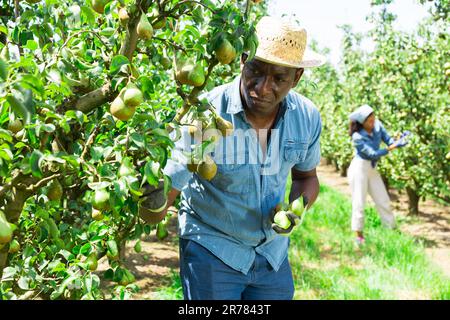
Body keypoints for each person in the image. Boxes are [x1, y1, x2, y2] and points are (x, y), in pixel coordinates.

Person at [142, 16, 325, 300]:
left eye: (278, 78)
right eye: (255, 70)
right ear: (242, 60)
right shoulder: (207, 113)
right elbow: (170, 183)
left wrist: (295, 208)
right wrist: (149, 199)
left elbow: (306, 177)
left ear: (297, 77)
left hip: (271, 254)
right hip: (212, 248)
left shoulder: (307, 117)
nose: (263, 88)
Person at [347, 104, 409, 245]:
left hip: (372, 169)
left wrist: (398, 141)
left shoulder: (377, 126)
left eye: (373, 119)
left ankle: (391, 230)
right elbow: (372, 154)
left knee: (383, 199)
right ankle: (359, 235)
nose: (373, 122)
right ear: (362, 122)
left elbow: (388, 140)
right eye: (369, 121)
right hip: (359, 168)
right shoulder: (357, 137)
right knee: (359, 202)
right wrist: (391, 148)